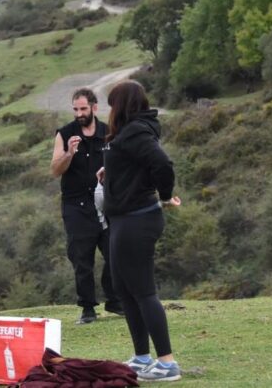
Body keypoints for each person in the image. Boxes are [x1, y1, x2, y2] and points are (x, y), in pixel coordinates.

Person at [98, 80, 182, 382]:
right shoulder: (127, 132)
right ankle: (142, 356)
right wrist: (112, 173)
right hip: (122, 219)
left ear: (122, 105)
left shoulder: (135, 131)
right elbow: (137, 165)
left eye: (112, 104)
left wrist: (163, 194)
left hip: (137, 219)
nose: (110, 111)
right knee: (124, 290)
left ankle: (167, 362)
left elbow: (162, 163)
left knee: (144, 291)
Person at [50, 88, 124, 325]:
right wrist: (69, 153)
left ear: (94, 107)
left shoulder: (108, 132)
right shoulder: (64, 134)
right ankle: (88, 308)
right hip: (76, 205)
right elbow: (55, 170)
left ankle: (114, 301)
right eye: (75, 109)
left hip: (105, 202)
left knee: (115, 251)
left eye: (83, 109)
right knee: (82, 258)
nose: (79, 114)